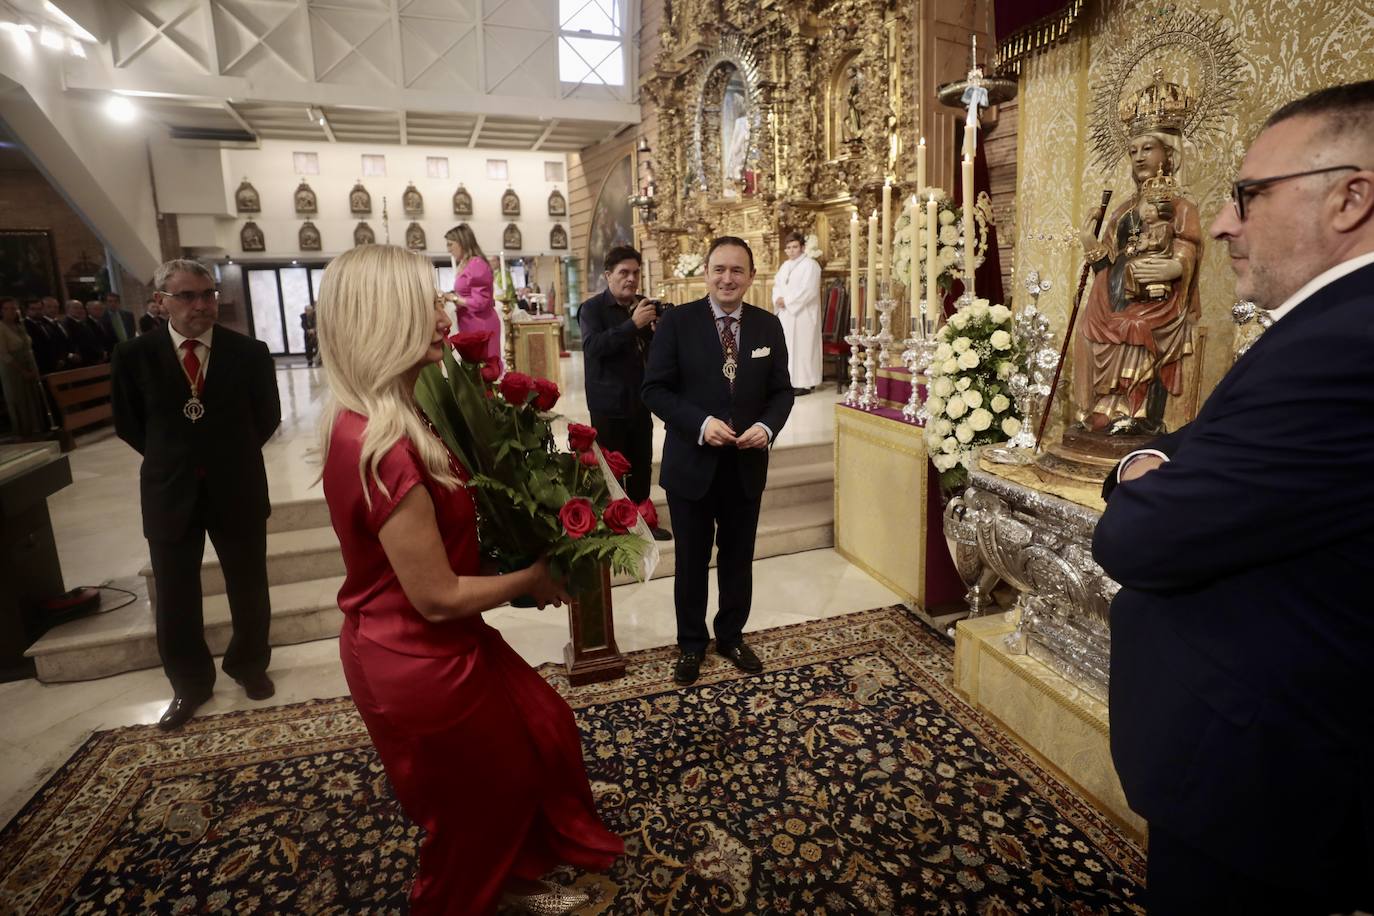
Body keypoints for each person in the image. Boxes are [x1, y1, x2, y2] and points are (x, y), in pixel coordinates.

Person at [1094, 79, 1374, 915]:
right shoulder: (1324, 330)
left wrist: (1140, 480)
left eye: (1249, 197)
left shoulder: (1345, 345)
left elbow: (1140, 541)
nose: (1222, 223)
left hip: (1265, 775)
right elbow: (1195, 448)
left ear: (1350, 198)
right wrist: (1149, 461)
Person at [316, 244, 622, 915]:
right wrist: (533, 574)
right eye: (426, 301)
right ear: (384, 316)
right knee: (483, 799)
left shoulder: (393, 413)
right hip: (415, 651)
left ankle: (514, 877)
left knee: (543, 725)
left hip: (434, 638)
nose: (445, 309)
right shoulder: (383, 446)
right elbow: (436, 594)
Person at [111, 258, 281, 730]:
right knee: (176, 594)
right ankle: (190, 682)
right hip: (170, 490)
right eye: (187, 296)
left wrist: (225, 457)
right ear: (161, 301)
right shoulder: (134, 355)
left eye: (207, 294)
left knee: (248, 585)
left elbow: (265, 417)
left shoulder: (249, 352)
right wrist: (177, 460)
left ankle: (249, 665)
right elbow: (129, 424)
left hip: (237, 485)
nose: (202, 305)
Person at [642, 236, 794, 686]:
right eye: (719, 269)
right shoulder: (677, 324)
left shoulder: (768, 326)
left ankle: (730, 635)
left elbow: (782, 392)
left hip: (745, 466)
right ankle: (691, 643)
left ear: (751, 276)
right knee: (690, 560)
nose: (728, 278)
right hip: (691, 464)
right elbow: (654, 390)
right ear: (705, 273)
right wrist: (699, 422)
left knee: (737, 558)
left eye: (737, 271)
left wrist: (767, 428)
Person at [1073, 91, 1202, 437]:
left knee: (1134, 327)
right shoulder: (1122, 210)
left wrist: (1175, 267)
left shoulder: (1181, 206)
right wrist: (1090, 245)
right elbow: (1109, 264)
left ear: (1168, 153)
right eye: (1133, 151)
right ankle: (1104, 405)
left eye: (1147, 148)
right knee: (1087, 330)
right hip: (1118, 291)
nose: (1138, 157)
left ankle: (1135, 409)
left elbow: (1188, 246)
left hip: (1160, 299)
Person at [578, 245, 672, 542]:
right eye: (624, 273)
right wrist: (633, 325)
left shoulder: (643, 305)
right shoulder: (592, 309)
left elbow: (655, 350)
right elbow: (594, 348)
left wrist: (657, 329)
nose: (631, 279)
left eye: (635, 273)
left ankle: (643, 520)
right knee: (612, 466)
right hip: (608, 402)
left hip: (640, 399)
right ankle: (616, 524)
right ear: (608, 275)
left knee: (641, 462)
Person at [443, 224, 502, 370]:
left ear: (462, 242)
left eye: (451, 244)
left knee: (484, 370)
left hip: (480, 323)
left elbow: (481, 302)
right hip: (469, 322)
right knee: (473, 369)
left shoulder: (477, 264)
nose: (448, 249)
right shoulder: (466, 263)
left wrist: (453, 298)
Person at [770, 231, 822, 395]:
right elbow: (777, 284)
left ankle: (806, 383)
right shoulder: (785, 266)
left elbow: (809, 290)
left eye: (794, 247)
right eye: (788, 248)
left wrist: (788, 301)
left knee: (803, 348)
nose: (791, 251)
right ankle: (791, 381)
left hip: (803, 314)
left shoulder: (811, 265)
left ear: (802, 247)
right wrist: (778, 298)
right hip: (787, 314)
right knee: (788, 348)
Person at [0, 297, 47, 437]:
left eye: (14, 308)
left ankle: (37, 429)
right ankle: (24, 433)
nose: (11, 311)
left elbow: (28, 347)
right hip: (13, 369)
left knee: (32, 399)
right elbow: (3, 354)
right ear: (1, 311)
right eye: (7, 309)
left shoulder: (20, 326)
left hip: (28, 365)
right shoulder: (1, 327)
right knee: (19, 400)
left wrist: (32, 368)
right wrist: (22, 370)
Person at [22, 299, 58, 374]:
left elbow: (54, 341)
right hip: (40, 365)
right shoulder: (24, 326)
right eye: (33, 309)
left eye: (39, 309)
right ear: (26, 311)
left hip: (54, 363)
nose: (37, 311)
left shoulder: (45, 322)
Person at [63, 300, 103, 365]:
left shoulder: (82, 323)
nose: (79, 310)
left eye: (81, 308)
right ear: (67, 309)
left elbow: (92, 340)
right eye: (75, 308)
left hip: (92, 360)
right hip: (81, 361)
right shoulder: (66, 324)